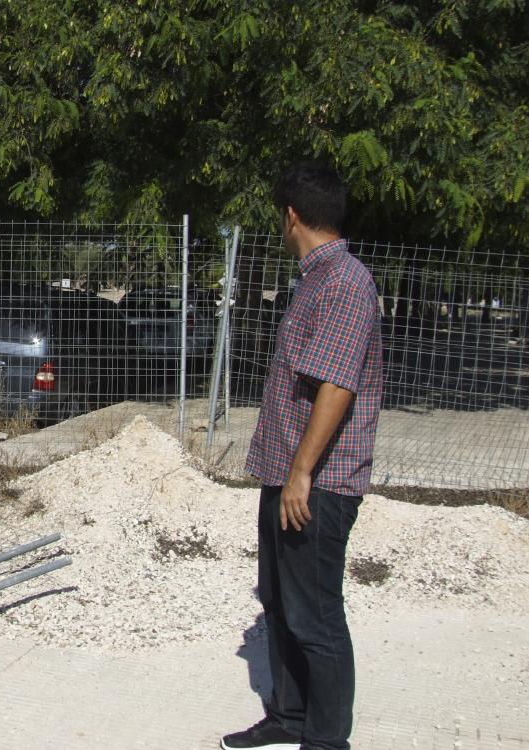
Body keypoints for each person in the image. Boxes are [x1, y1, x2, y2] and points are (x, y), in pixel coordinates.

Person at [221, 162, 383, 750]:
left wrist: (300, 475)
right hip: (288, 475)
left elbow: (335, 386)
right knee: (281, 602)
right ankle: (288, 716)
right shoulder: (317, 278)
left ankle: (325, 739)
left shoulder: (345, 282)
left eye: (278, 216)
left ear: (291, 215)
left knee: (316, 616)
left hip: (317, 482)